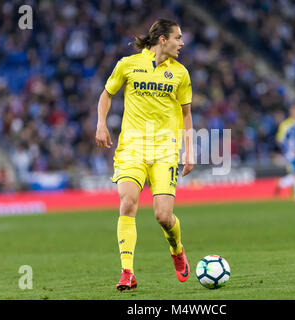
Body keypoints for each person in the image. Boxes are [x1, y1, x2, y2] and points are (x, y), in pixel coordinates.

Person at [95, 18, 194, 291]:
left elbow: (186, 115)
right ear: (163, 39)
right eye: (178, 38)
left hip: (165, 150)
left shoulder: (181, 74)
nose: (181, 43)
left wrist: (190, 150)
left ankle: (176, 249)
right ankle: (127, 272)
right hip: (132, 148)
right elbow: (106, 94)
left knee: (163, 216)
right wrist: (101, 123)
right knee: (127, 203)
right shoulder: (128, 65)